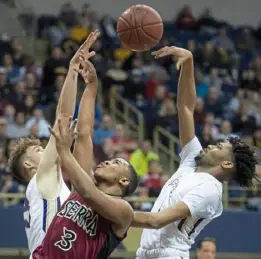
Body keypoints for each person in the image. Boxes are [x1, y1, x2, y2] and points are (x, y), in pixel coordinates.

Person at [131, 46, 259, 259]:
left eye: (219, 147)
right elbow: (185, 108)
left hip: (169, 255)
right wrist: (189, 61)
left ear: (227, 164)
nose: (210, 145)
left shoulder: (210, 190)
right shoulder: (192, 160)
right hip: (146, 254)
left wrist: (110, 215)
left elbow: (157, 220)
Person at [32, 50, 138, 259]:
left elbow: (89, 193)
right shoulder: (84, 182)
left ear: (124, 181)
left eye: (116, 162)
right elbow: (84, 134)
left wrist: (64, 151)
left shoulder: (124, 211)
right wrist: (91, 87)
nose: (107, 161)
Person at [7, 31, 99, 255]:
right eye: (39, 150)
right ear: (29, 165)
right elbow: (63, 119)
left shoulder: (51, 188)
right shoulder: (42, 178)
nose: (46, 149)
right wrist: (72, 72)